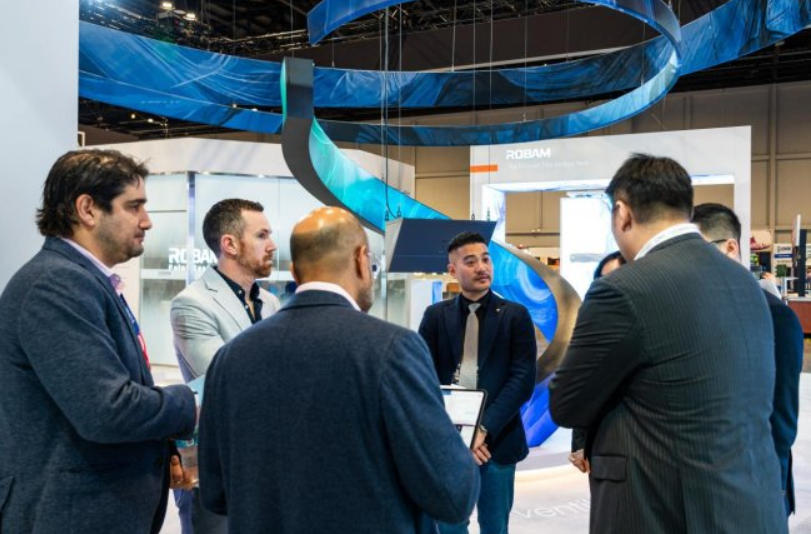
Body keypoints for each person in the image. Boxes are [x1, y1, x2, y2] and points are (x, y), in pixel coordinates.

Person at [198, 207, 479, 533]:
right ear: (361, 259)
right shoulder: (392, 349)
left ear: (295, 273)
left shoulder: (230, 358)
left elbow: (216, 493)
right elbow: (452, 494)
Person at [549, 154, 786, 533]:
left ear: (623, 213)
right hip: (751, 506)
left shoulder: (622, 289)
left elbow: (567, 404)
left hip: (662, 511)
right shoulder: (744, 282)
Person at [0, 149, 196, 533]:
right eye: (134, 206)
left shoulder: (85, 281)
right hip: (68, 517)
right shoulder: (56, 284)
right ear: (87, 209)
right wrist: (193, 403)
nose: (147, 221)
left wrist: (163, 449)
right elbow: (108, 410)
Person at [170, 199, 282, 533]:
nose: (272, 245)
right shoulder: (192, 303)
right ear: (230, 244)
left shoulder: (271, 303)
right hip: (217, 468)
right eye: (262, 235)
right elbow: (227, 383)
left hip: (268, 465)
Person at [418, 231, 537, 534]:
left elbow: (522, 380)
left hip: (497, 442)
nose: (482, 267)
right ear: (452, 270)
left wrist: (482, 430)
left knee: (495, 526)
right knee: (449, 526)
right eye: (470, 262)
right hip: (449, 443)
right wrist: (460, 435)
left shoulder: (515, 316)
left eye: (486, 259)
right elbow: (423, 378)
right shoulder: (435, 317)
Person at [692, 202, 803, 517]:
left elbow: (782, 419)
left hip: (756, 487)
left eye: (697, 252)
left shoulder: (776, 317)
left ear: (730, 247)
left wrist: (771, 491)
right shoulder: (694, 310)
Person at [568, 250, 625, 474]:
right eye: (603, 281)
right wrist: (580, 444)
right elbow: (582, 390)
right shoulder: (593, 330)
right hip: (603, 448)